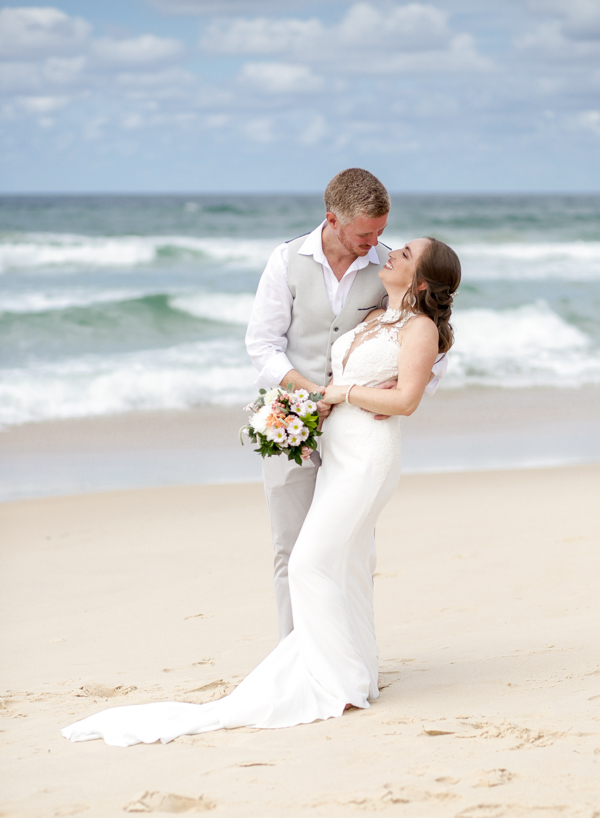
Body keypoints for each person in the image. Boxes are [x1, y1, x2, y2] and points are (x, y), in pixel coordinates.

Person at [60, 234, 460, 747]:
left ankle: (333, 678)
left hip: (367, 456)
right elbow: (299, 355)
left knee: (308, 562)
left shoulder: (421, 327)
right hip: (337, 449)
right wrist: (312, 405)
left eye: (404, 254)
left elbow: (407, 399)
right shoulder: (379, 315)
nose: (390, 252)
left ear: (421, 281)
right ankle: (357, 671)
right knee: (349, 560)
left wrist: (343, 392)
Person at [246, 168, 447, 642]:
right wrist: (310, 392)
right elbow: (263, 345)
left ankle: (348, 650)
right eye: (365, 233)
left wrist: (400, 389)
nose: (375, 241)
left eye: (381, 231)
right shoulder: (285, 260)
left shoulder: (386, 268)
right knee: (291, 548)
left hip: (354, 434)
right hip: (290, 423)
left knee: (352, 547)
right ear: (333, 219)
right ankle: (294, 653)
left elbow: (427, 339)